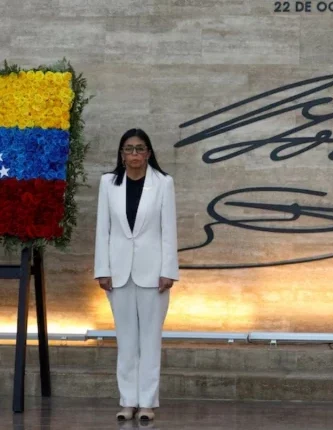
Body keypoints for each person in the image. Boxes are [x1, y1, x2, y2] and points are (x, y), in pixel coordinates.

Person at [94, 128, 179, 422]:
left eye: (140, 148)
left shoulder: (163, 183)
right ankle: (128, 401)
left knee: (150, 340)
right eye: (129, 149)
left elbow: (168, 230)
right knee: (126, 340)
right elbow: (103, 229)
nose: (134, 154)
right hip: (118, 272)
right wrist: (102, 269)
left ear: (148, 153)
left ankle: (147, 403)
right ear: (121, 154)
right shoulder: (108, 183)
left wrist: (168, 271)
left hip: (154, 273)